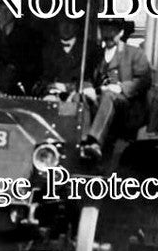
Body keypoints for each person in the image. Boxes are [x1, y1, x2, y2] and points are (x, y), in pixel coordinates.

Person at [80, 18, 151, 164]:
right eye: (105, 30)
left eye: (113, 31)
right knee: (80, 97)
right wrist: (88, 89)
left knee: (109, 95)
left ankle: (94, 142)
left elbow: (144, 80)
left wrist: (120, 87)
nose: (109, 34)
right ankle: (82, 141)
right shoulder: (96, 55)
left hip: (126, 108)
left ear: (121, 32)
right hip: (100, 102)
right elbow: (86, 77)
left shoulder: (134, 53)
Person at [38, 17, 98, 97]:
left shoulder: (89, 49)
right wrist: (50, 86)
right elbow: (44, 79)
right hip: (54, 95)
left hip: (79, 94)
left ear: (76, 27)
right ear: (58, 26)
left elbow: (91, 79)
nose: (66, 27)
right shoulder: (48, 50)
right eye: (63, 23)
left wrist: (68, 87)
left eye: (70, 23)